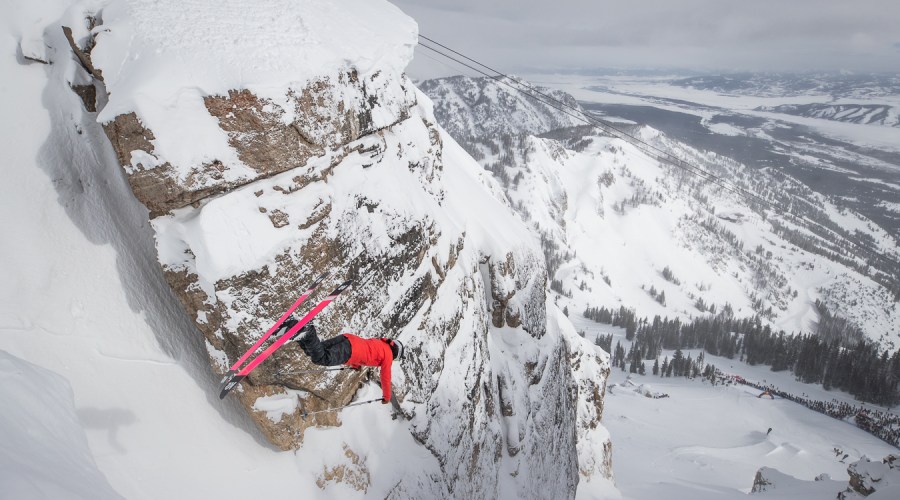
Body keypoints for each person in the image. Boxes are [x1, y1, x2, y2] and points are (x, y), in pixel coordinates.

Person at [279, 318, 403, 404]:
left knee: (313, 350)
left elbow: (367, 351)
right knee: (321, 358)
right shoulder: (388, 356)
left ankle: (294, 326)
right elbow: (385, 376)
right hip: (350, 351)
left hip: (347, 339)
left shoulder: (382, 343)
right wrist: (387, 397)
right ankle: (309, 331)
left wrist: (355, 365)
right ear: (396, 355)